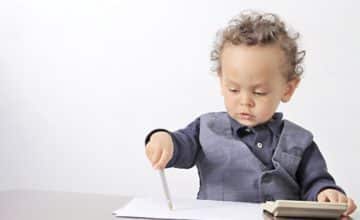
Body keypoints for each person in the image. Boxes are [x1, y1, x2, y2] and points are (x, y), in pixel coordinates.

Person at [144, 11, 357, 216]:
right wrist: (164, 140)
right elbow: (180, 146)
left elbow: (316, 181)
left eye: (259, 92)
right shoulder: (205, 128)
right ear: (221, 82)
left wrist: (326, 193)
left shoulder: (300, 141)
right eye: (233, 89)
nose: (245, 101)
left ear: (288, 89)